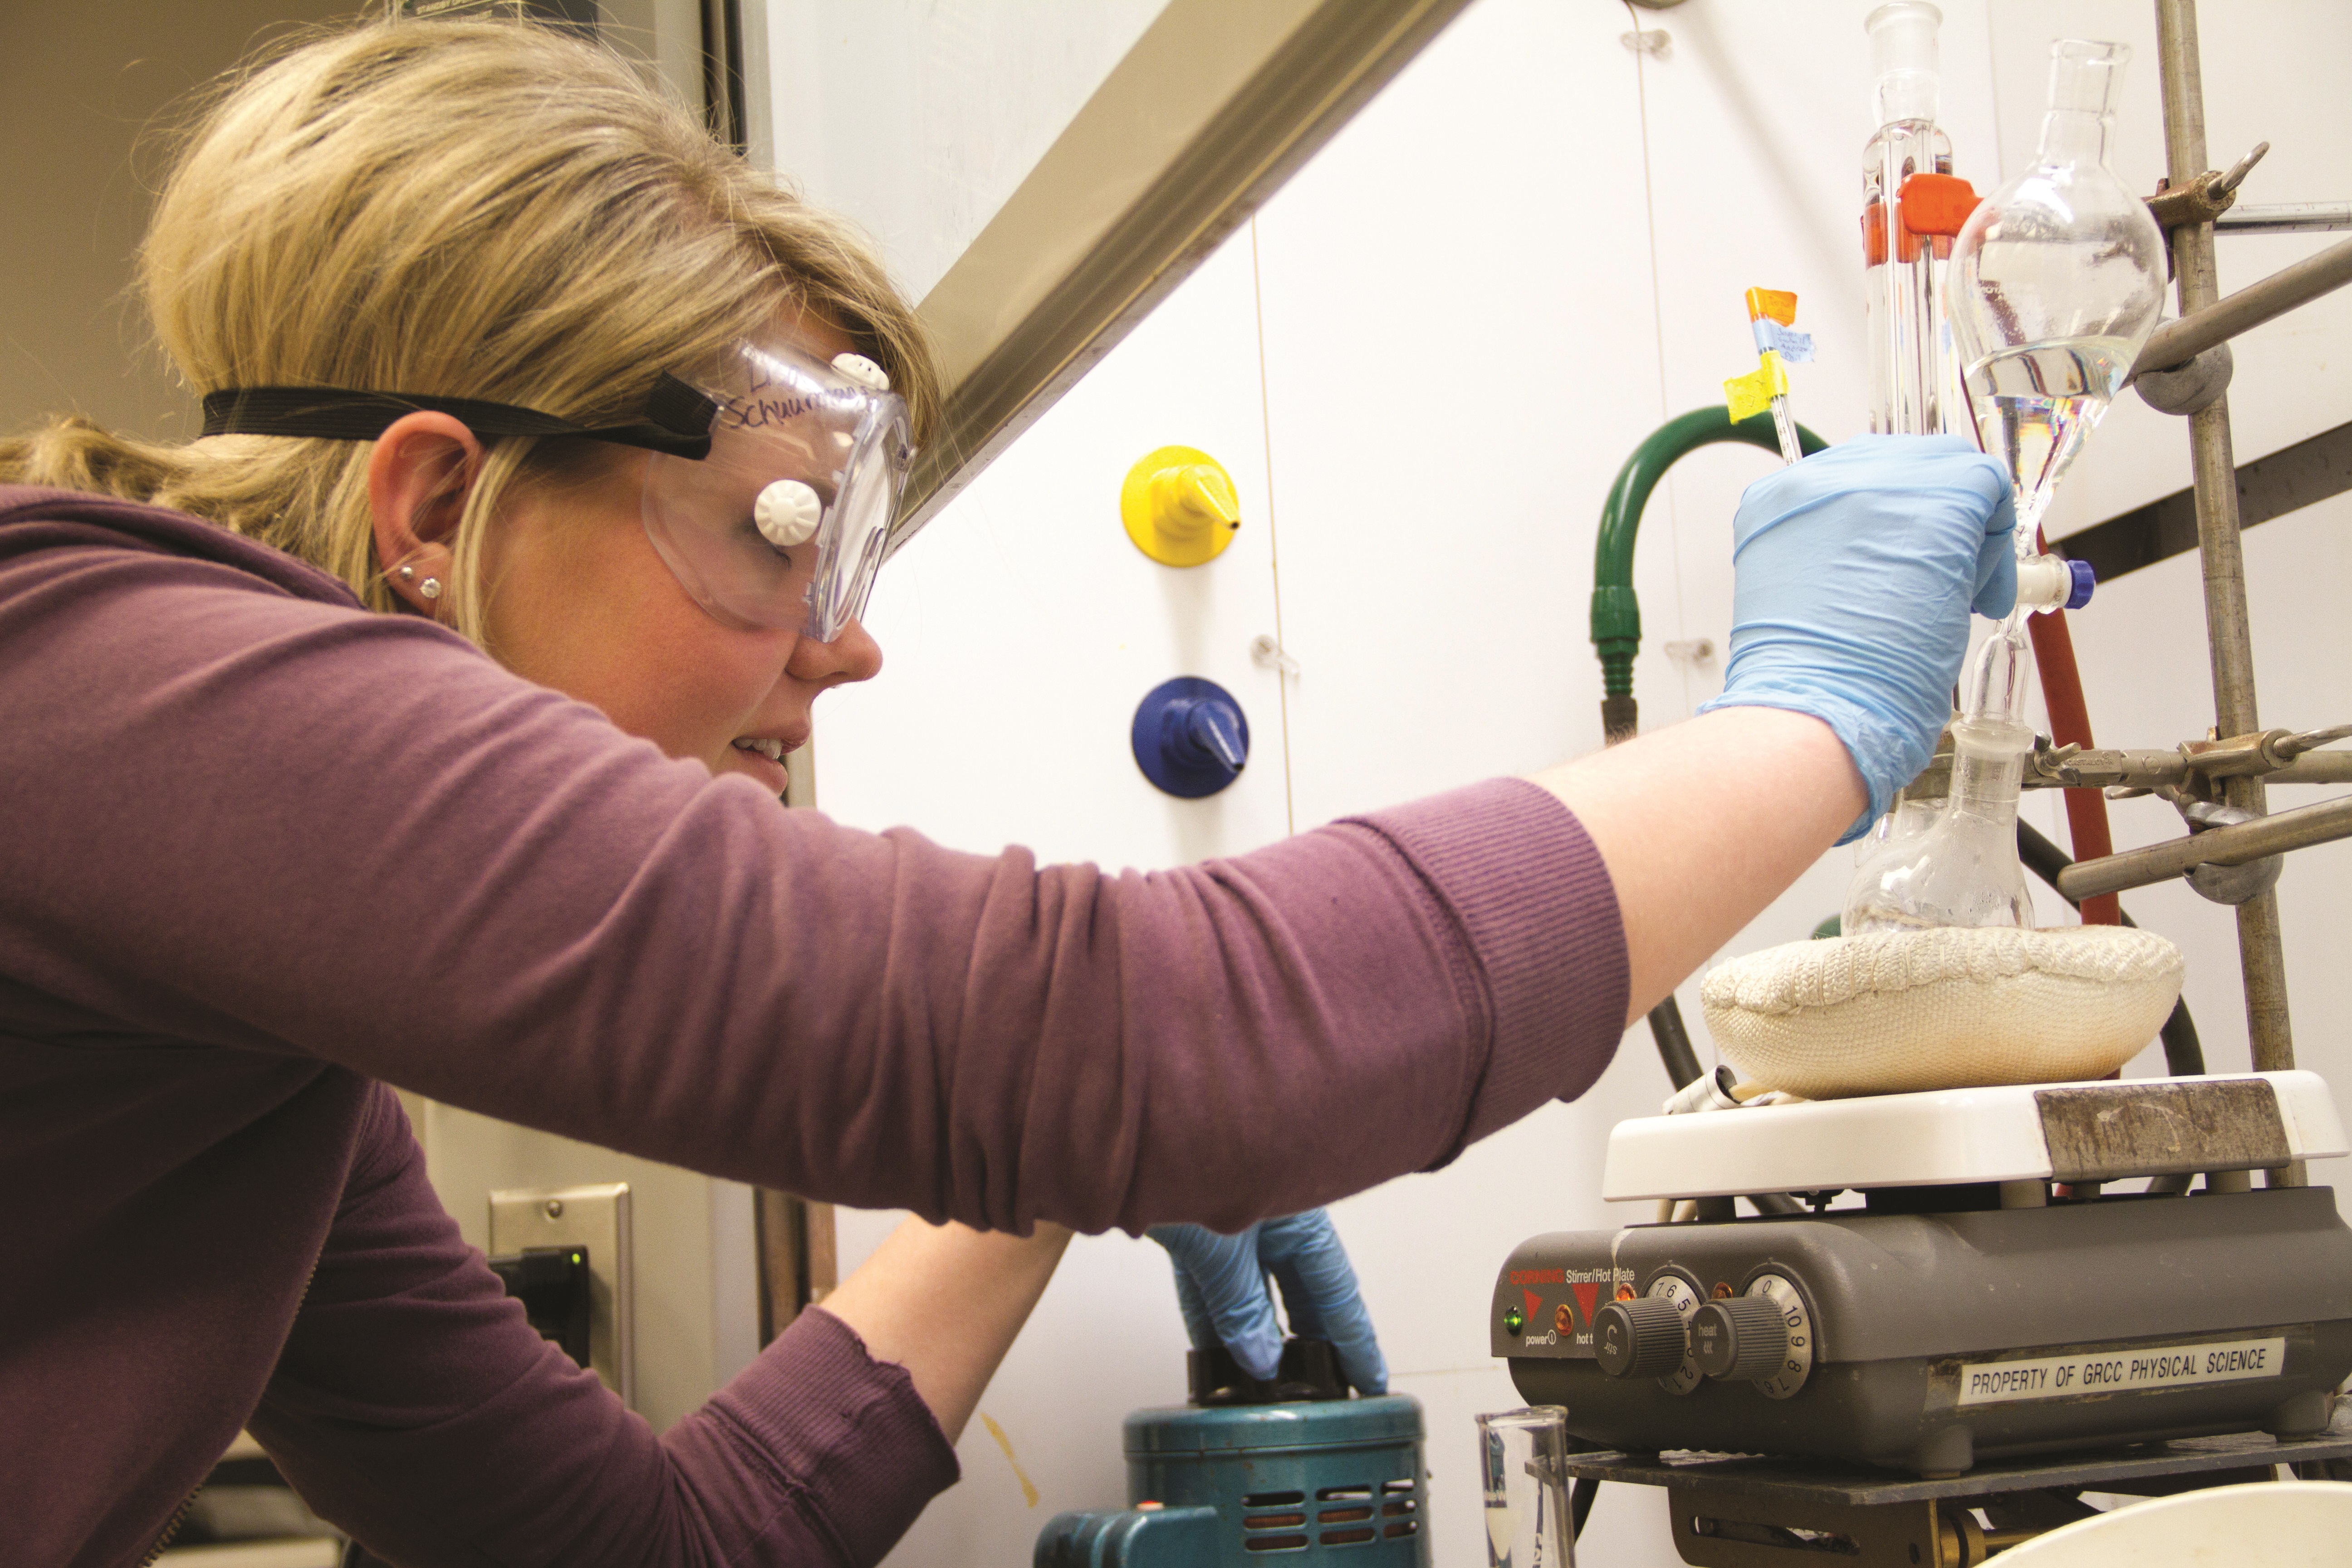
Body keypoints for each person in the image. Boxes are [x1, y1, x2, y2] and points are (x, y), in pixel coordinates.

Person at [0, 19, 2015, 1568]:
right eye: (773, 536)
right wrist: (1809, 723)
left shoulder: (255, 1051)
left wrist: (1070, 1168)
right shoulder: (84, 678)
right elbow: (1154, 1027)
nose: (842, 649)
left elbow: (632, 1553)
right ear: (439, 506)